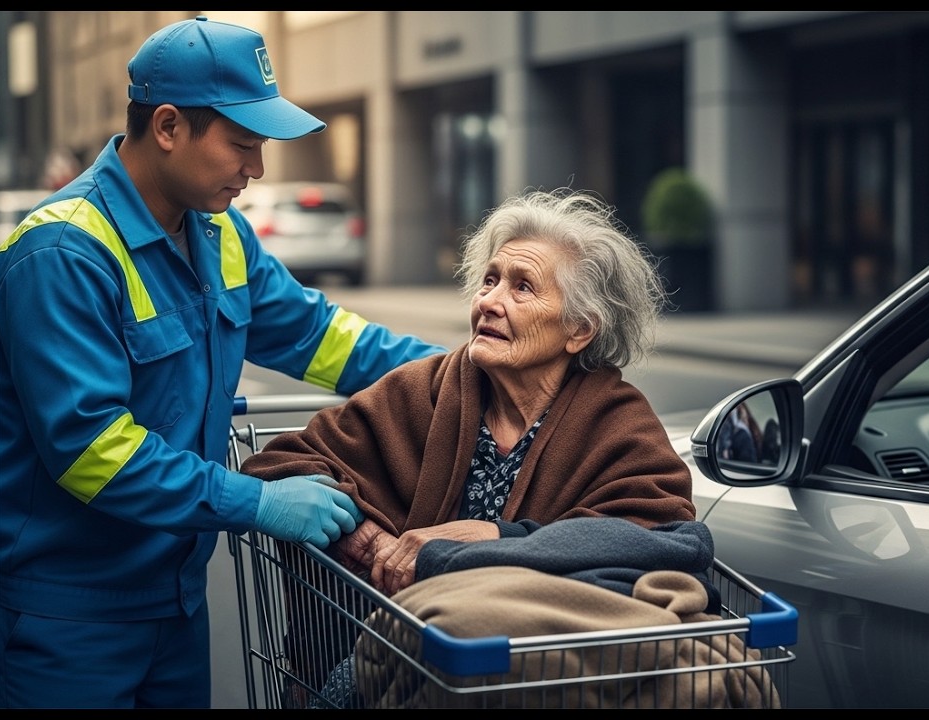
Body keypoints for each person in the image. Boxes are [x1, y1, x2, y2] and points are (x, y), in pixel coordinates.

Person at [0, 16, 447, 709]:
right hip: (67, 615)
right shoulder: (61, 253)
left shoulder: (218, 233)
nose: (257, 168)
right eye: (242, 143)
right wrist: (258, 502)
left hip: (176, 603)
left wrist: (466, 373)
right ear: (169, 127)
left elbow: (324, 338)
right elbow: (90, 449)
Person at [239, 187, 697, 703]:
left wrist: (496, 537)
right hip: (398, 651)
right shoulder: (424, 388)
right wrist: (366, 539)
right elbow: (282, 461)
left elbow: (665, 535)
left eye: (523, 288)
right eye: (490, 280)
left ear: (579, 330)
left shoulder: (618, 421)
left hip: (537, 672)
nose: (490, 302)